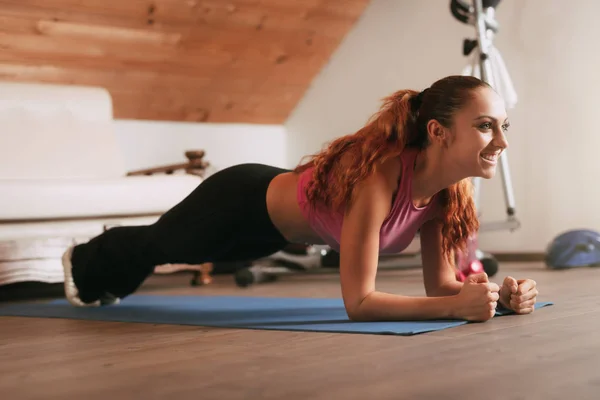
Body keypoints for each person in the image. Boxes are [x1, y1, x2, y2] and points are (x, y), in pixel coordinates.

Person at [62, 75, 538, 322]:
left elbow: (440, 287)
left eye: (502, 126)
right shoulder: (380, 179)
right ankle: (84, 258)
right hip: (242, 198)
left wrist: (497, 297)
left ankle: (106, 279)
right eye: (484, 126)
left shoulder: (447, 197)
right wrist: (455, 308)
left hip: (272, 236)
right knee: (164, 247)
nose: (501, 141)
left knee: (174, 254)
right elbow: (361, 302)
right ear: (437, 132)